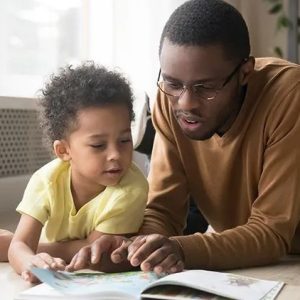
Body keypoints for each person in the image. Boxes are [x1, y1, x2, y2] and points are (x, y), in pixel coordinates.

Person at [67, 0, 300, 274]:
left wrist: (180, 249)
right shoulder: (168, 102)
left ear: (245, 73)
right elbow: (163, 210)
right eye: (173, 83)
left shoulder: (289, 96)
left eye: (206, 87)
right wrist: (134, 248)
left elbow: (272, 232)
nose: (185, 103)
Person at [7, 62, 148, 282]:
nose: (115, 154)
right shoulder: (47, 180)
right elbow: (20, 246)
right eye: (98, 145)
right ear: (64, 150)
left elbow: (92, 252)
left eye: (124, 140)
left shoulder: (131, 187)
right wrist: (29, 262)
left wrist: (32, 248)